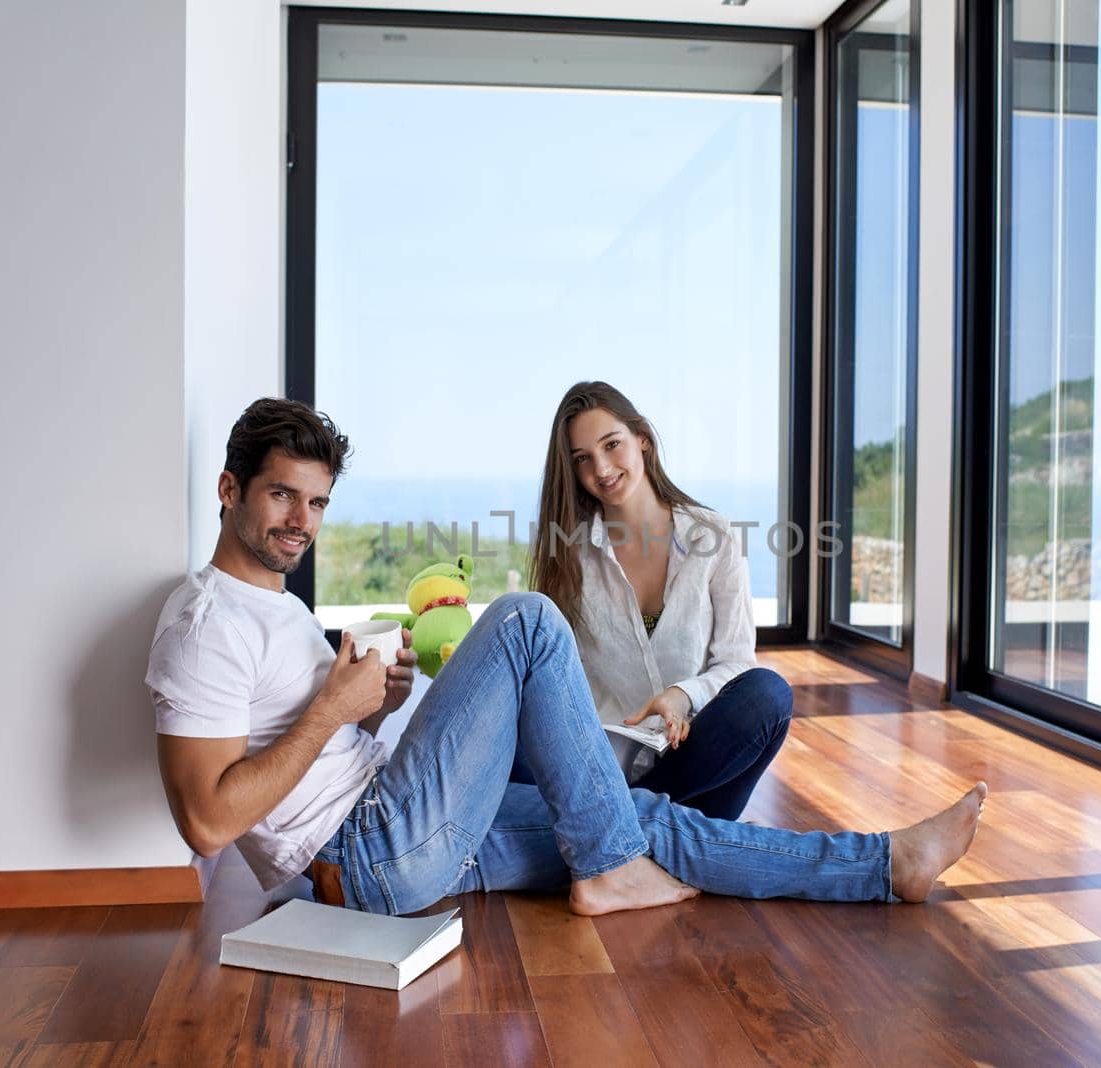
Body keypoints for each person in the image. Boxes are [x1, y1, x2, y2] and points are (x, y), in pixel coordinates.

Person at [149, 397, 986, 918]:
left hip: (400, 823)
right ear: (230, 491)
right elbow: (209, 822)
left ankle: (886, 864)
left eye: (317, 502)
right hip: (369, 853)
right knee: (524, 620)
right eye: (280, 495)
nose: (302, 519)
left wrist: (372, 699)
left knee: (642, 822)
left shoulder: (273, 604)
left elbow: (306, 738)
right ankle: (610, 867)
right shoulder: (203, 623)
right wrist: (333, 709)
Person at [525, 382, 791, 819]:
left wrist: (683, 696)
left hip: (698, 766)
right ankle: (661, 835)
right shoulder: (568, 554)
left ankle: (624, 829)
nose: (602, 468)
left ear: (642, 440)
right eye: (582, 459)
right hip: (603, 771)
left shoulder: (715, 537)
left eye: (612, 445)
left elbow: (737, 663)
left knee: (769, 694)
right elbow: (552, 680)